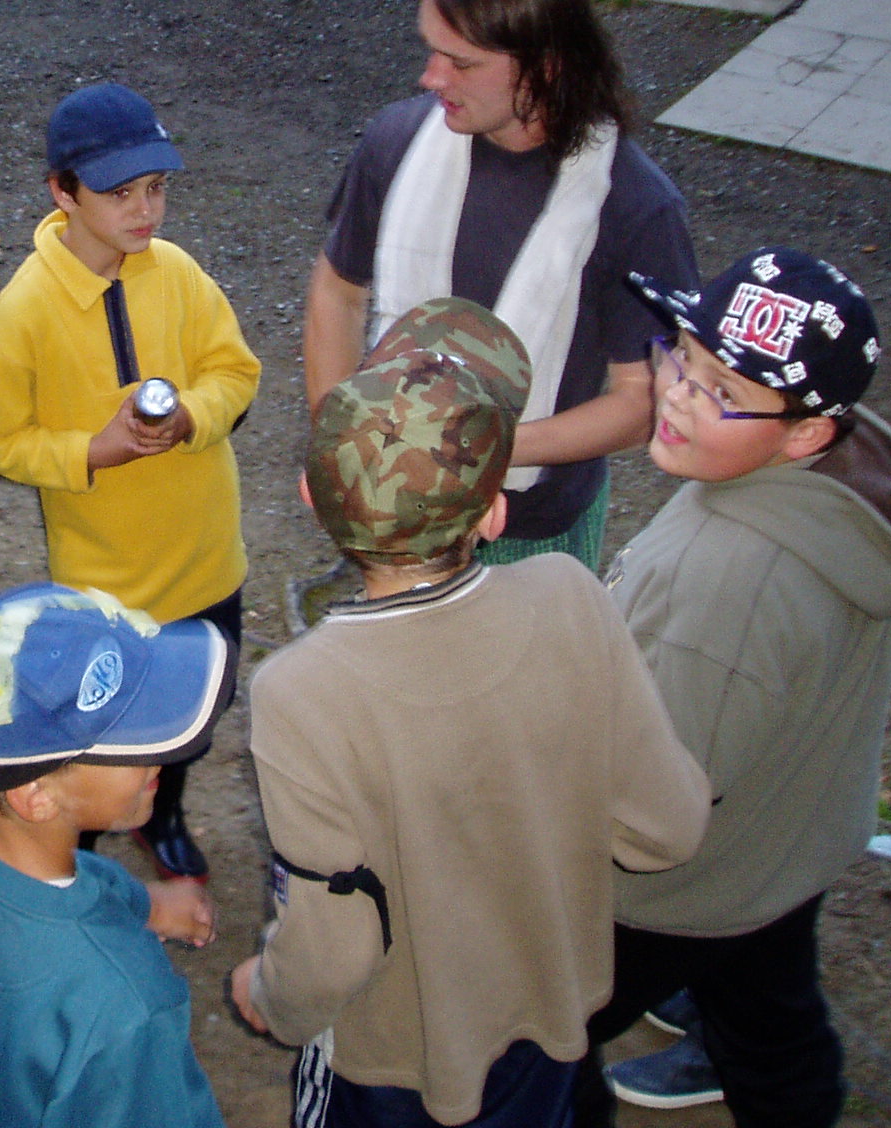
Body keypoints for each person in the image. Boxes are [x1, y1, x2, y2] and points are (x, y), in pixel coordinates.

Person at [231, 297, 710, 1128]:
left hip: (392, 1064)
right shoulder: (571, 596)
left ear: (313, 496)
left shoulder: (301, 694)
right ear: (493, 514)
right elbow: (665, 828)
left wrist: (273, 997)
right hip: (549, 1025)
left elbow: (333, 950)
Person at [574, 248, 891, 1128]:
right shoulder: (805, 486)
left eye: (724, 391)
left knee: (529, 1038)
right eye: (683, 358)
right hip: (783, 841)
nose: (678, 395)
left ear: (807, 432)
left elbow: (649, 812)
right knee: (771, 1024)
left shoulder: (726, 590)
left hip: (665, 895)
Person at [302, 0, 699, 572]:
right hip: (391, 510)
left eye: (461, 63)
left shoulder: (634, 207)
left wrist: (466, 455)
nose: (431, 77)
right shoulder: (397, 143)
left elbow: (642, 400)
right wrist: (343, 442)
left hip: (532, 531)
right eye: (432, 51)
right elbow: (338, 290)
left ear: (545, 66)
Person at [0, 82, 260, 880]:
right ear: (63, 193)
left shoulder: (178, 273)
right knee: (101, 731)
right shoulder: (24, 314)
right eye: (120, 193)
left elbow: (235, 370)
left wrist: (192, 416)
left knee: (195, 712)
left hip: (208, 564)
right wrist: (89, 453)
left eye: (156, 188)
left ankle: (165, 815)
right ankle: (79, 851)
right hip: (107, 585)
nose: (146, 211)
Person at [0, 582, 233, 1128]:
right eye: (131, 741)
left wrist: (141, 903)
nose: (161, 752)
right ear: (36, 797)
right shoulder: (123, 1002)